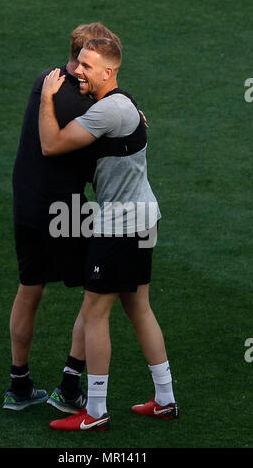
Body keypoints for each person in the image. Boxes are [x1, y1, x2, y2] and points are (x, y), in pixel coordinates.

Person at [38, 37, 179, 431]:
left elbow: (51, 144)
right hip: (144, 217)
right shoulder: (123, 103)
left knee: (94, 312)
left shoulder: (110, 111)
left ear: (108, 72)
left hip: (120, 225)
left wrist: (47, 98)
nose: (75, 71)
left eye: (86, 66)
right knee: (139, 308)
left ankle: (95, 411)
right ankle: (165, 399)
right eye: (77, 63)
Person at [3, 23, 121, 411]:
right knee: (97, 293)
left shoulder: (45, 81)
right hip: (65, 210)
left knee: (30, 288)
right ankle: (70, 386)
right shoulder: (92, 105)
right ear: (87, 58)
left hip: (26, 202)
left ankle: (18, 385)